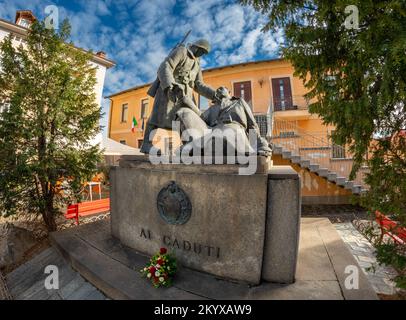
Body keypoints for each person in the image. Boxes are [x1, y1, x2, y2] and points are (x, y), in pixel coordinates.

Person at [140, 39, 217, 154]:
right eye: (201, 51)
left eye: (204, 53)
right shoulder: (181, 51)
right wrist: (170, 85)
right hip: (171, 91)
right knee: (157, 117)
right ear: (196, 47)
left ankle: (188, 145)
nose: (201, 54)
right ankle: (146, 144)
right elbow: (165, 66)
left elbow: (199, 85)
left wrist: (215, 95)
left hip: (186, 96)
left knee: (185, 118)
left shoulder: (197, 65)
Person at [176, 86, 272, 157]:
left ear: (229, 92)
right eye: (217, 90)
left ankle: (194, 147)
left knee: (224, 131)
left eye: (221, 88)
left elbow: (252, 124)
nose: (218, 90)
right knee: (183, 112)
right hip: (212, 131)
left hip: (233, 130)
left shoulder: (239, 102)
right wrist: (186, 100)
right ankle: (196, 146)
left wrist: (258, 143)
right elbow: (201, 118)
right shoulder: (213, 108)